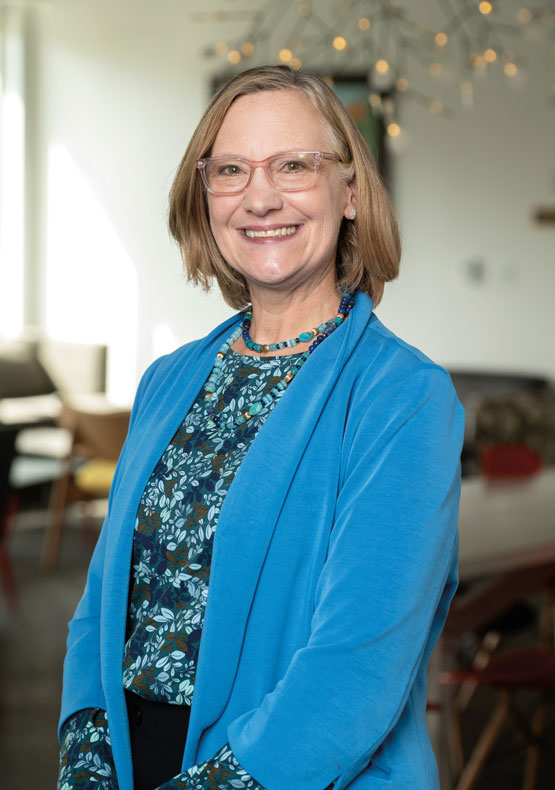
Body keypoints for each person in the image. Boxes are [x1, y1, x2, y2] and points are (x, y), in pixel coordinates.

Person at [57, 65, 464, 790]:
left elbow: (355, 669)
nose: (260, 196)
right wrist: (85, 760)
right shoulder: (170, 379)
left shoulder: (403, 397)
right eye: (231, 170)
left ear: (348, 192)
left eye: (293, 166)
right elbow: (102, 607)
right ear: (203, 195)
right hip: (132, 761)